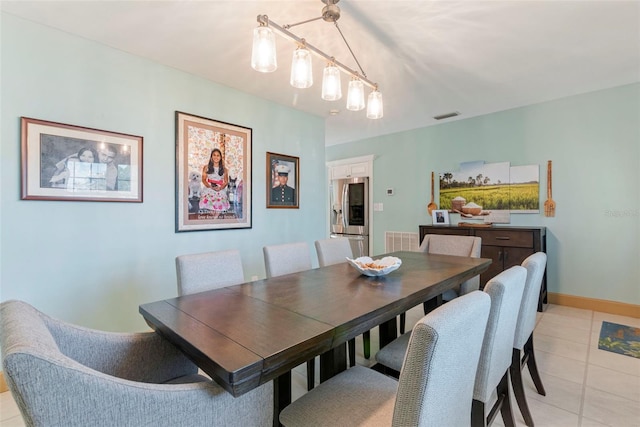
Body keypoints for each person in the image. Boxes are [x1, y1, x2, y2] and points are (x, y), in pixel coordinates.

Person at [199, 148, 230, 216]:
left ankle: (214, 222)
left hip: (220, 188)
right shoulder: (206, 167)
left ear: (220, 157)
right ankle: (213, 221)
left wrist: (220, 188)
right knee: (210, 206)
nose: (216, 157)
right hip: (209, 188)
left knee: (219, 206)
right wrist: (210, 186)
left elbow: (226, 181)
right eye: (214, 155)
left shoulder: (224, 169)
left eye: (218, 155)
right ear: (211, 157)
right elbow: (203, 179)